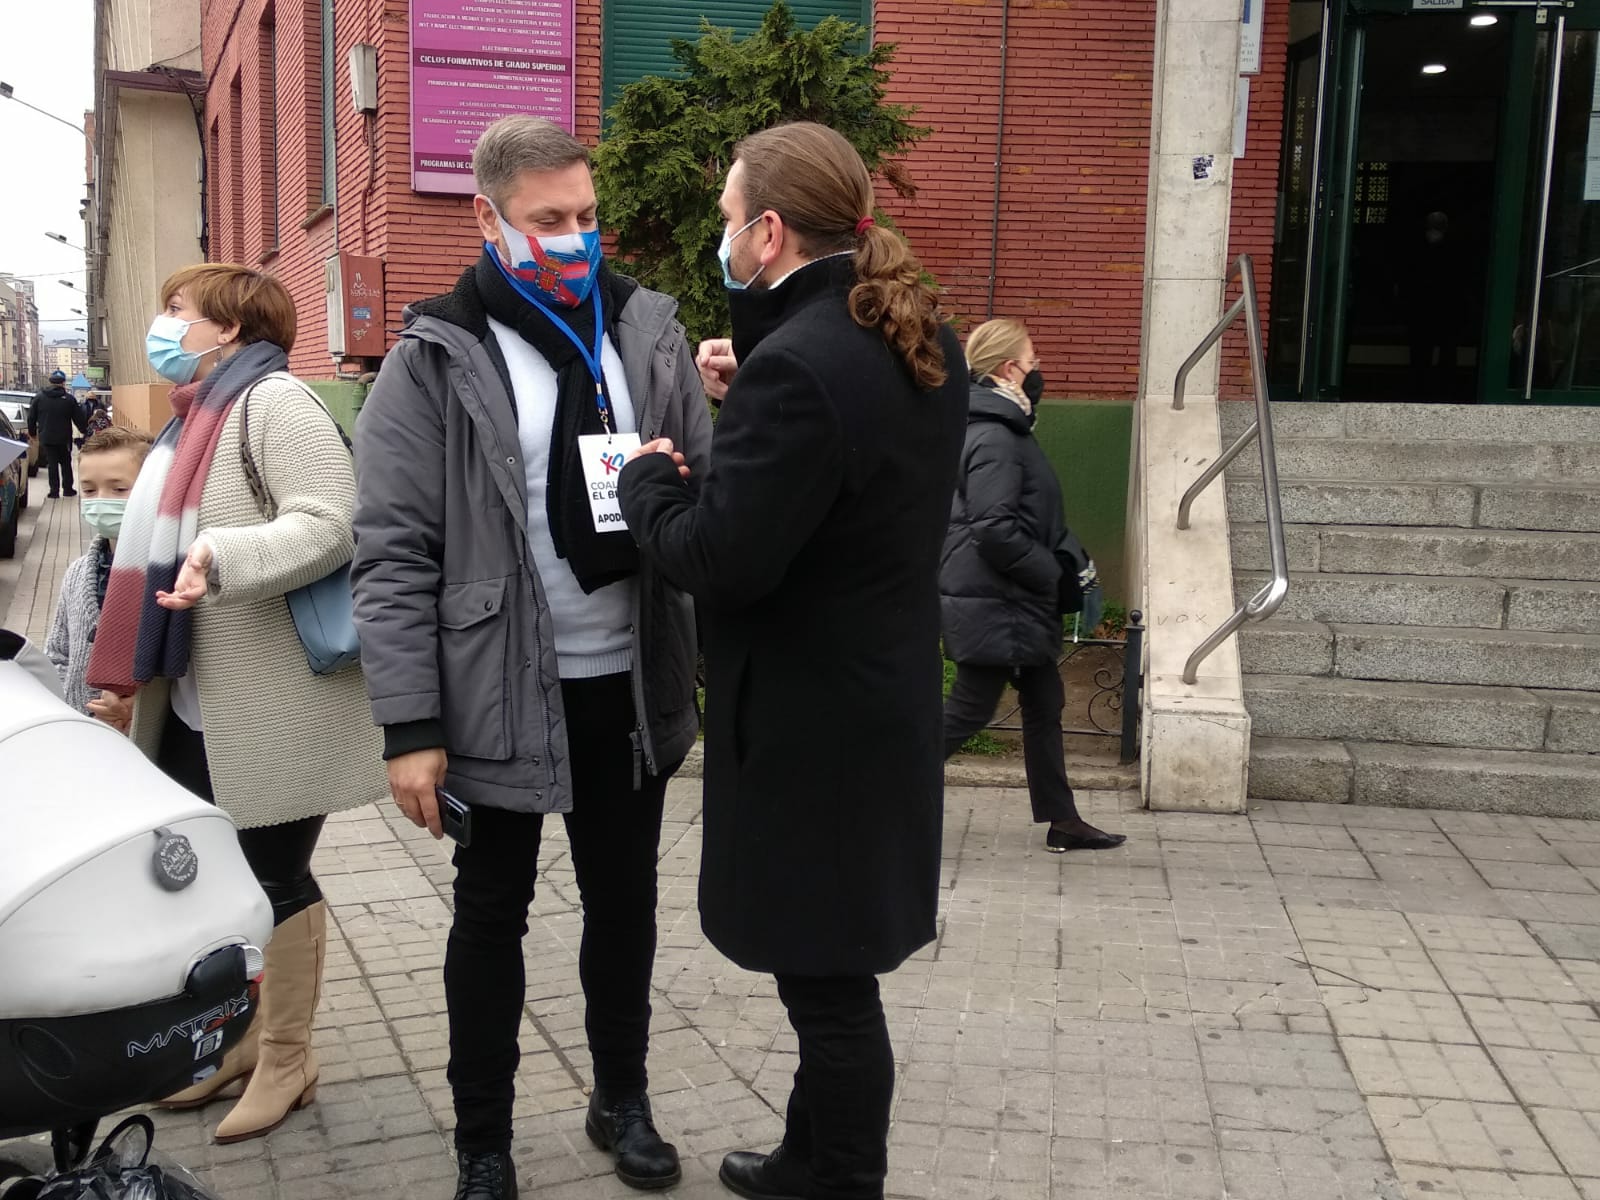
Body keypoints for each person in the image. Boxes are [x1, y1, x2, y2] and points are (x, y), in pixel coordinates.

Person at [350, 115, 711, 1200]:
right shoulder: (433, 357)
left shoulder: (644, 329)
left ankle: (622, 1100)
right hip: (495, 692)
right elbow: (393, 552)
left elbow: (705, 499)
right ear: (488, 217)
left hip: (629, 684)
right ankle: (484, 1143)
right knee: (490, 916)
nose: (574, 239)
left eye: (587, 216)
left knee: (625, 906)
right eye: (548, 221)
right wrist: (411, 728)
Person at [616, 121, 968, 1200]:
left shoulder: (804, 371)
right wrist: (754, 373)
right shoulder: (920, 336)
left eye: (728, 219)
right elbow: (839, 470)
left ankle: (842, 1181)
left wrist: (647, 483)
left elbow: (721, 559)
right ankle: (805, 1159)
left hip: (812, 728)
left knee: (827, 991)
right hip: (879, 700)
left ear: (767, 232)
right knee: (835, 964)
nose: (723, 236)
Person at [84, 262, 386, 1143]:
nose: (162, 323)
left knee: (275, 877)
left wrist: (222, 554)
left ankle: (289, 1055)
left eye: (176, 309)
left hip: (270, 700)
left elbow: (334, 519)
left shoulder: (273, 402)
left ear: (227, 325)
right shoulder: (191, 420)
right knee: (220, 881)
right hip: (189, 699)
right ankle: (243, 1041)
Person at [938, 319, 1126, 854]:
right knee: (967, 712)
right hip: (1000, 600)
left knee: (1045, 700)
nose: (1038, 371)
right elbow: (995, 527)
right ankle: (876, 798)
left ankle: (1063, 819)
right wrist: (1049, 571)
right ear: (1008, 369)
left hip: (1007, 599)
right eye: (1033, 361)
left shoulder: (1001, 427)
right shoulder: (995, 434)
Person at [45, 425, 153, 717]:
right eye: (89, 490)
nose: (100, 500)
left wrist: (137, 707)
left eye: (119, 489)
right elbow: (58, 652)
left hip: (143, 735)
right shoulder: (78, 573)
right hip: (80, 731)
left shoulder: (171, 573)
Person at [29, 369, 86, 498]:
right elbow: (78, 418)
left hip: (46, 437)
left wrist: (32, 433)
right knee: (66, 463)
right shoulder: (69, 399)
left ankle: (54, 491)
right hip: (64, 438)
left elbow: (31, 417)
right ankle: (68, 489)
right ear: (63, 383)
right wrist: (84, 431)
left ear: (50, 382)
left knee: (52, 464)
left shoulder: (39, 397)